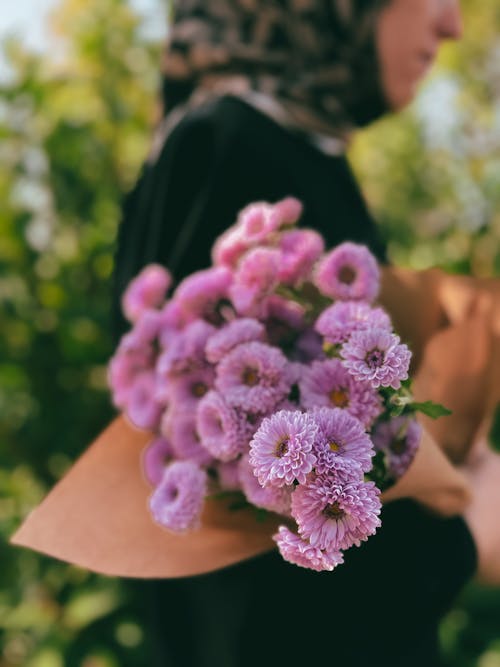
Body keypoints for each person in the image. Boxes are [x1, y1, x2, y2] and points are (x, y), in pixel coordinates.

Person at [110, 1, 482, 666]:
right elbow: (244, 553)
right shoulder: (229, 145)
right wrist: (460, 530)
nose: (453, 24)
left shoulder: (292, 151)